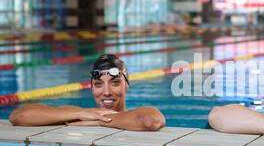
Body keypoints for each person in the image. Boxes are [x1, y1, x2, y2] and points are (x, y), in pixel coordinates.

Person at [9, 54, 165, 132]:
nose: (106, 92)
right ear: (91, 88)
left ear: (127, 85)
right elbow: (18, 116)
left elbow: (150, 121)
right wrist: (83, 113)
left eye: (115, 83)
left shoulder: (136, 114)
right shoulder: (77, 114)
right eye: (98, 84)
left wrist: (100, 120)